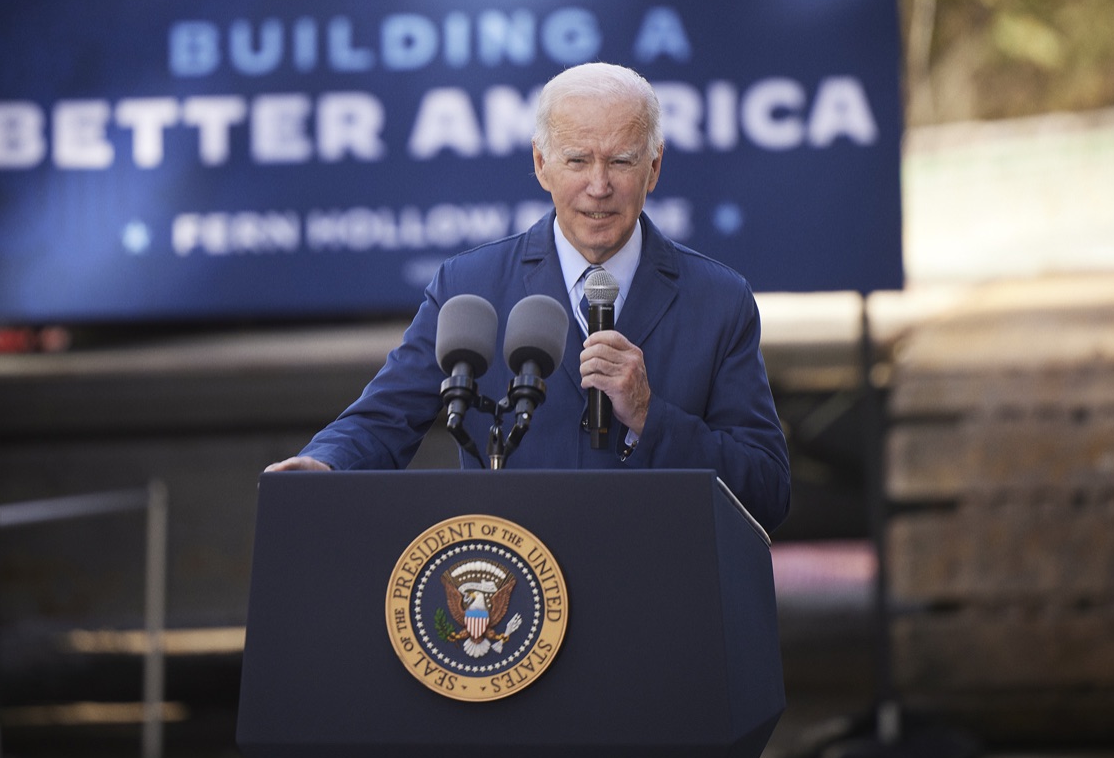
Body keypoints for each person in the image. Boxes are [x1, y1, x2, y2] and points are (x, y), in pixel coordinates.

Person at [266, 62, 790, 531]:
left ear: (654, 168)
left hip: (660, 604)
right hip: (514, 612)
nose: (599, 185)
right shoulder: (468, 288)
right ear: (541, 164)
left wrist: (651, 416)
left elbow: (767, 490)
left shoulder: (719, 302)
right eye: (578, 160)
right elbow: (383, 420)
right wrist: (324, 466)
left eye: (622, 162)